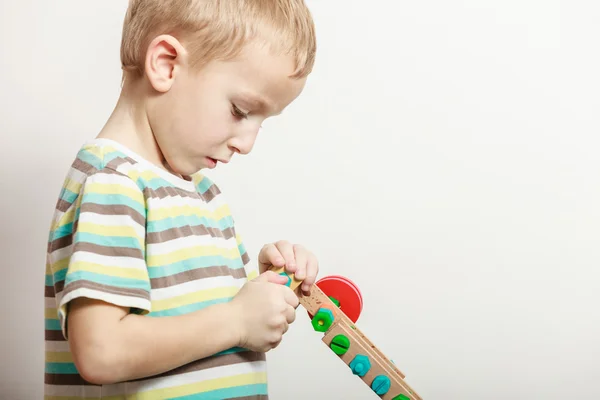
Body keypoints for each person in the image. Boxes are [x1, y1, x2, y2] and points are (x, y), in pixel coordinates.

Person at [44, 0, 318, 398]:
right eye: (240, 110)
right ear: (166, 64)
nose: (247, 144)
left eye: (262, 122)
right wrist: (237, 320)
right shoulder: (114, 184)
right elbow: (101, 352)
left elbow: (199, 322)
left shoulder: (202, 193)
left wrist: (265, 285)